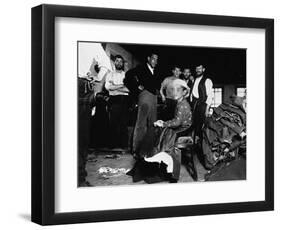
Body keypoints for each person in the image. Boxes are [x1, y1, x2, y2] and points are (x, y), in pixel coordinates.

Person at [127, 79, 192, 183]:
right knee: (157, 131)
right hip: (181, 127)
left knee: (159, 134)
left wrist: (164, 124)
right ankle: (150, 158)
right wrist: (163, 122)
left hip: (182, 130)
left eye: (178, 90)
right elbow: (176, 121)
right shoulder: (180, 102)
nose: (175, 92)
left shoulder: (182, 104)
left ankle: (155, 159)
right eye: (174, 90)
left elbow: (177, 123)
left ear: (184, 92)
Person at [124, 52, 160, 158]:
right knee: (141, 124)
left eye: (157, 60)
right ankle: (136, 150)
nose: (155, 61)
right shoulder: (141, 68)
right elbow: (128, 75)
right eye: (153, 59)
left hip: (154, 98)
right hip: (144, 96)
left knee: (153, 124)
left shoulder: (155, 71)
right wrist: (136, 86)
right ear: (148, 58)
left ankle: (149, 149)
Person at [105, 55, 129, 149]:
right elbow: (108, 88)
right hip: (114, 100)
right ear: (114, 62)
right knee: (113, 123)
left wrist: (115, 86)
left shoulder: (126, 75)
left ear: (123, 63)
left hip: (124, 100)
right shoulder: (110, 74)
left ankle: (123, 146)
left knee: (124, 124)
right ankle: (112, 145)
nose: (119, 63)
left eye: (121, 61)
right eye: (117, 61)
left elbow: (129, 89)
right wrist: (122, 85)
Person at [190, 64, 214, 140]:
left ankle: (203, 148)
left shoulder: (207, 80)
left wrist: (207, 109)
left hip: (203, 106)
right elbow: (192, 94)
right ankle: (196, 146)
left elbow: (210, 96)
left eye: (199, 68)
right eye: (196, 68)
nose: (198, 70)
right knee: (195, 127)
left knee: (203, 128)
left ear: (203, 69)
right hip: (195, 106)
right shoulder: (194, 80)